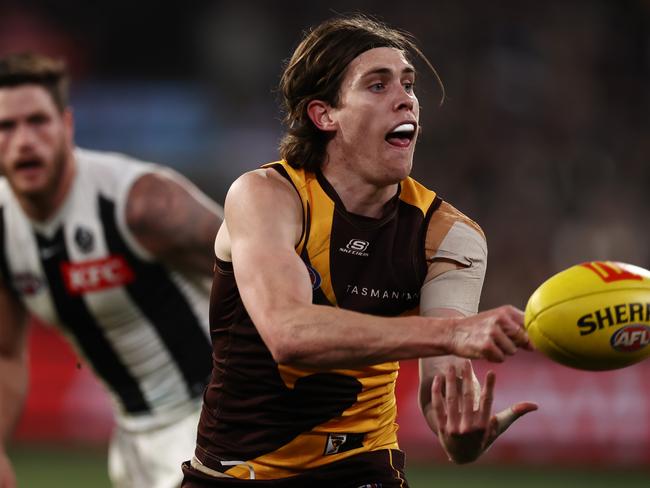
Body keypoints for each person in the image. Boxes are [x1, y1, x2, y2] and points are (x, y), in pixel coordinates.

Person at [182, 14, 537, 488]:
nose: (406, 97)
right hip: (232, 474)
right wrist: (452, 333)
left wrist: (459, 428)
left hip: (361, 469)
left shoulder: (450, 235)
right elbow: (289, 334)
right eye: (377, 85)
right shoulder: (267, 196)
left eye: (408, 84)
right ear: (323, 114)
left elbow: (443, 384)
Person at [0, 52, 223, 488]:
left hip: (215, 417)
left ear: (66, 126)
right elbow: (5, 351)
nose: (24, 140)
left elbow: (263, 271)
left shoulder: (142, 205)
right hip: (132, 441)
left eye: (38, 122)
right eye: (6, 127)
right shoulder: (2, 229)